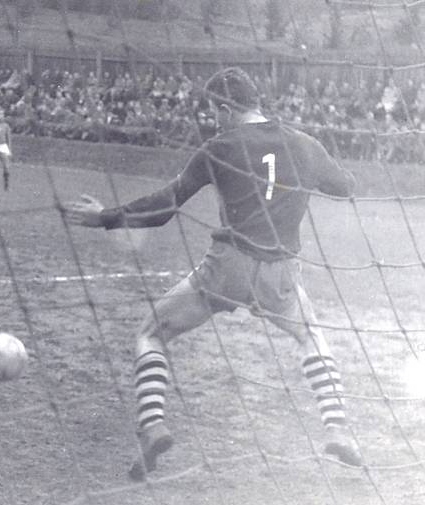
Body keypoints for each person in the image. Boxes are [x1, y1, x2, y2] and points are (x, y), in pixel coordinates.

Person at [64, 67, 361, 481]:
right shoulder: (304, 143)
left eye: (213, 111)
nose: (212, 119)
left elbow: (166, 204)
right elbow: (344, 186)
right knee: (310, 335)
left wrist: (105, 218)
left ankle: (152, 427)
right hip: (280, 273)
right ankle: (338, 429)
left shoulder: (219, 146)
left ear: (225, 108)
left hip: (227, 267)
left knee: (150, 332)